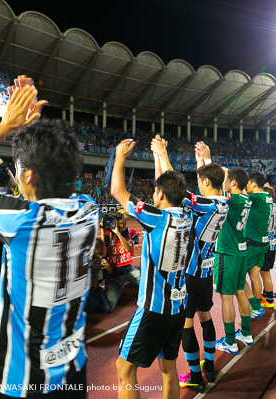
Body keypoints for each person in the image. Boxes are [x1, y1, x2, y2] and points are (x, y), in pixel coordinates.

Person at [0, 79, 97, 398]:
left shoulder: (21, 218)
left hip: (18, 378)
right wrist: (40, 144)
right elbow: (43, 188)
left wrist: (6, 127)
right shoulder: (89, 209)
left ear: (27, 176)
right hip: (72, 369)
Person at [111, 138, 191, 399]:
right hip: (178, 307)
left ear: (161, 196)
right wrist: (161, 155)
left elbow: (117, 191)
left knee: (124, 368)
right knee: (168, 369)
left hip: (153, 309)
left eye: (156, 193)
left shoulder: (155, 218)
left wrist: (119, 157)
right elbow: (166, 190)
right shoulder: (188, 216)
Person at [152, 139, 227, 392]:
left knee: (187, 324)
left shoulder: (206, 204)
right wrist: (204, 162)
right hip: (206, 274)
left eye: (201, 181)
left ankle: (195, 375)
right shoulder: (224, 201)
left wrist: (162, 155)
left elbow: (177, 190)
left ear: (205, 183)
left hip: (191, 275)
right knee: (206, 318)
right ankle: (210, 365)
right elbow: (210, 181)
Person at [213, 167, 253, 355]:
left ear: (233, 183)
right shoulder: (246, 199)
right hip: (241, 250)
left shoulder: (233, 199)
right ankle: (245, 333)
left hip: (227, 252)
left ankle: (230, 341)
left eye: (227, 180)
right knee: (240, 292)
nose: (225, 182)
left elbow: (216, 193)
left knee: (226, 297)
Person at [244, 172, 272, 319]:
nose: (246, 185)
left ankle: (254, 307)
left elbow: (237, 197)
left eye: (247, 183)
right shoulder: (267, 196)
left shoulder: (256, 197)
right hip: (262, 242)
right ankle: (257, 306)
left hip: (253, 243)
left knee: (237, 276)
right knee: (255, 276)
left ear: (254, 184)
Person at [103, 208, 140, 312]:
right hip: (114, 275)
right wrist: (103, 231)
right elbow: (103, 252)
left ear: (127, 217)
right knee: (110, 308)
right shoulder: (109, 234)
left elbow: (128, 248)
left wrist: (118, 233)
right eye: (117, 214)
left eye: (122, 214)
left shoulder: (133, 233)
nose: (119, 216)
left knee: (147, 282)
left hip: (128, 270)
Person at [260, 186, 276, 308]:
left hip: (264, 242)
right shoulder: (275, 207)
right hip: (273, 242)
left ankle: (270, 299)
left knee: (264, 272)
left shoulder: (264, 206)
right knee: (266, 271)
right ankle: (267, 293)